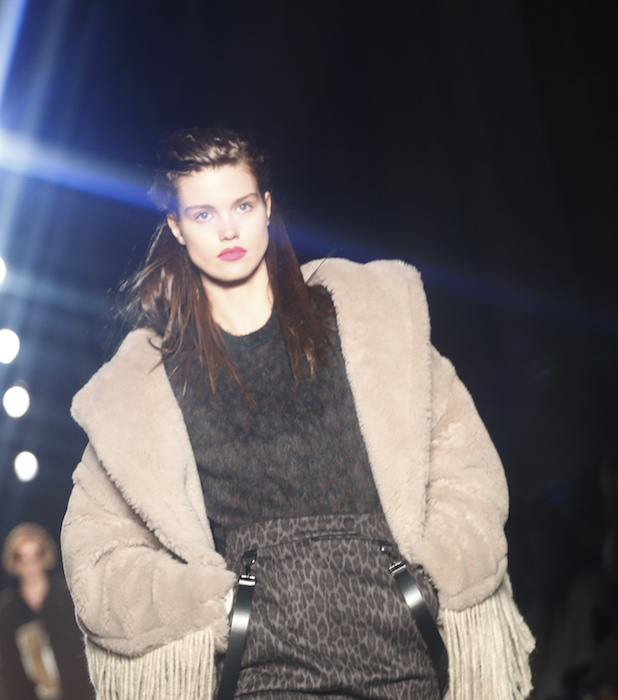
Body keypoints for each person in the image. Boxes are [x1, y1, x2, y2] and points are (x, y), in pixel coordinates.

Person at [60, 127, 534, 699]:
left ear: (266, 207)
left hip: (402, 662)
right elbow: (98, 553)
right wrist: (218, 611)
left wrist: (425, 583)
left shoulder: (368, 325)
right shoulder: (148, 389)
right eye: (204, 214)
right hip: (262, 677)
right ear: (177, 228)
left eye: (241, 206)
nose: (228, 230)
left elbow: (464, 463)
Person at [0, 524, 93, 700]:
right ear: (12, 561)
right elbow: (10, 669)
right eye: (21, 557)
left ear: (46, 555)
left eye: (36, 555)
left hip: (81, 692)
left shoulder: (69, 597)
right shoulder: (7, 612)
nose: (29, 564)